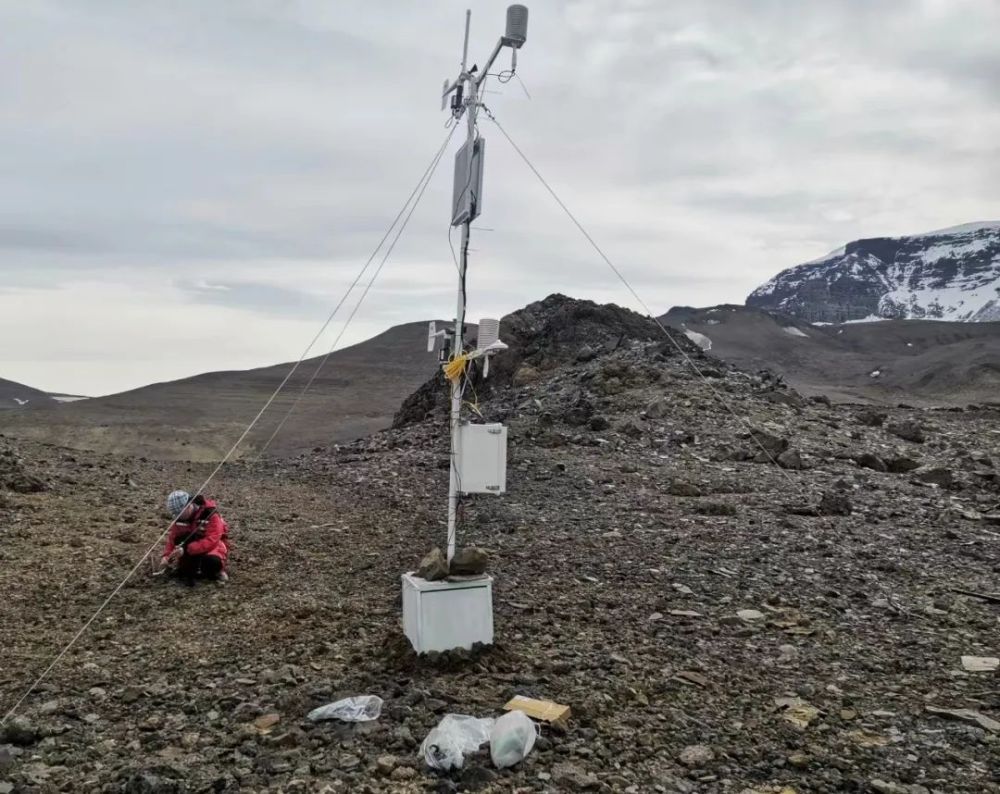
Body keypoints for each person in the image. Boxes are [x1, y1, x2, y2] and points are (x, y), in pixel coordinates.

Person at [159, 490, 230, 585]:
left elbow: (213, 539)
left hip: (213, 547)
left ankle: (219, 571)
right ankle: (192, 568)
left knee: (212, 563)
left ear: (188, 506)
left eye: (179, 513)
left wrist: (186, 549)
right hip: (189, 549)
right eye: (175, 514)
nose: (177, 516)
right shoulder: (179, 519)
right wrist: (166, 556)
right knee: (184, 569)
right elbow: (173, 538)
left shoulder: (210, 514)